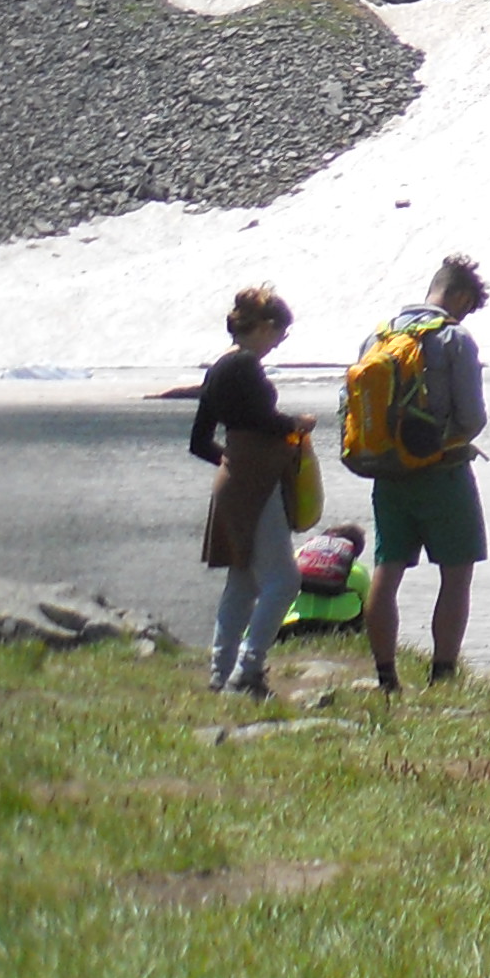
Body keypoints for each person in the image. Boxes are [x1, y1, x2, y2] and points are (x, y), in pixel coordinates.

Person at [362, 254, 490, 693]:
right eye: (468, 304)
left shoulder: (376, 338)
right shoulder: (455, 339)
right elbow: (472, 418)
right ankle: (443, 675)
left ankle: (385, 676)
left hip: (388, 473)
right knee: (456, 573)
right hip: (444, 474)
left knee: (387, 567)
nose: (465, 313)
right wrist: (450, 440)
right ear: (455, 294)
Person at [190, 284, 310, 697]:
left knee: (243, 581)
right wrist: (296, 423)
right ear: (263, 326)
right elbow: (263, 420)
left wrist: (231, 463)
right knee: (284, 581)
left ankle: (220, 674)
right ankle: (247, 670)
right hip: (254, 484)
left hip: (234, 481)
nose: (279, 342)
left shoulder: (220, 368)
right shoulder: (244, 366)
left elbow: (199, 441)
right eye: (280, 332)